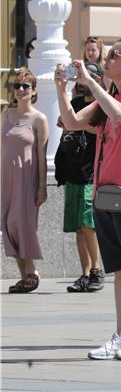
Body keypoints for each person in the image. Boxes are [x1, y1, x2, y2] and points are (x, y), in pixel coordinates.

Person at [56, 39, 121, 361]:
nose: (107, 59)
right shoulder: (110, 96)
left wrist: (92, 84)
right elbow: (72, 122)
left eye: (113, 55)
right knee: (119, 270)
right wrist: (62, 88)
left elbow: (120, 112)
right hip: (107, 195)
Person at [54, 62, 105, 293]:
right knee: (77, 226)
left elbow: (95, 129)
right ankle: (84, 273)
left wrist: (75, 122)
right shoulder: (74, 103)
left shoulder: (101, 105)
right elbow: (64, 125)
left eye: (90, 76)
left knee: (88, 224)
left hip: (91, 173)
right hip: (73, 170)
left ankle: (97, 270)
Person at [2, 69, 48, 294]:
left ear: (34, 91)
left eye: (25, 86)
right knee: (9, 225)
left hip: (27, 178)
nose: (20, 90)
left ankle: (31, 271)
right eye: (17, 86)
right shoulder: (7, 114)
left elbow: (41, 154)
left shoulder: (39, 119)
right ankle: (26, 276)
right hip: (6, 178)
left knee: (22, 224)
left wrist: (42, 187)